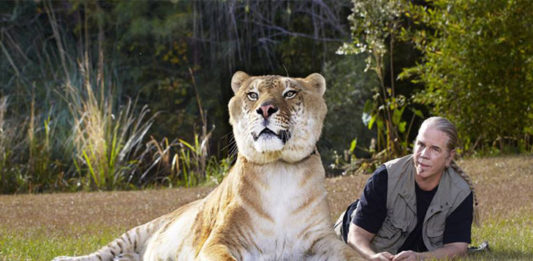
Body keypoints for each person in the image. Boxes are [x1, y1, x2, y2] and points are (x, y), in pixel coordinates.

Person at [334, 117, 476, 261]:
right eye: (421, 144)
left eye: (435, 149)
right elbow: (356, 236)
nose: (424, 155)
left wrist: (419, 257)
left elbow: (457, 248)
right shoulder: (386, 177)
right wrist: (371, 257)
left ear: (449, 157)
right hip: (348, 237)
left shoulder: (460, 193)